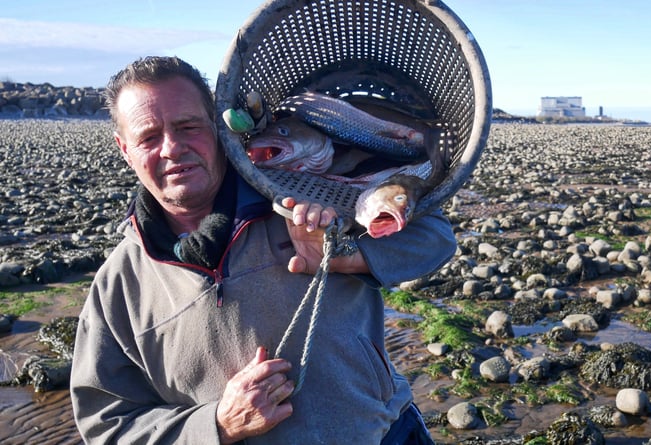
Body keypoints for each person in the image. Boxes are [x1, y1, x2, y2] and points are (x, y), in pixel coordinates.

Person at [70, 55, 457, 444]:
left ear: (218, 130)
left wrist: (345, 259)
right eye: (149, 137)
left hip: (385, 435)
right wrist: (217, 426)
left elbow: (436, 238)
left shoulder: (304, 193)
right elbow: (106, 424)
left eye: (188, 127)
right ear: (125, 149)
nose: (172, 148)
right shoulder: (119, 287)